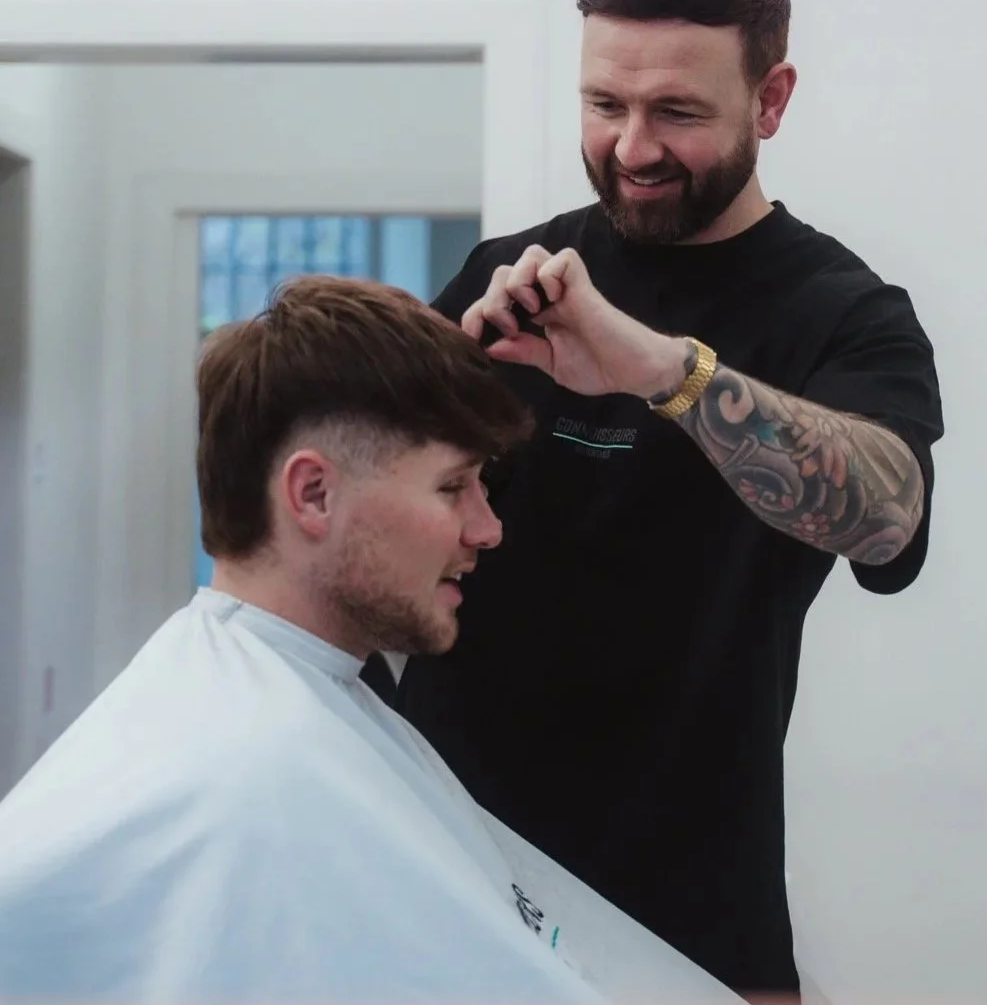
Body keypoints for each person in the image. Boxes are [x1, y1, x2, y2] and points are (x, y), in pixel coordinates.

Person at [386, 0, 946, 1002]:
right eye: (604, 104)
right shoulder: (502, 277)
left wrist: (664, 372)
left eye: (676, 111)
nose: (632, 146)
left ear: (769, 99)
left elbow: (885, 517)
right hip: (448, 872)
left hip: (693, 906)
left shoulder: (844, 314)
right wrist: (423, 388)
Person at [0, 275, 740, 1005]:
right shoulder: (251, 772)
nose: (488, 527)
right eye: (453, 486)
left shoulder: (296, 702)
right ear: (314, 494)